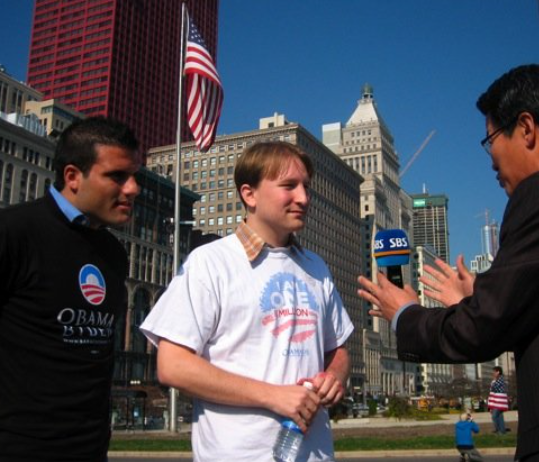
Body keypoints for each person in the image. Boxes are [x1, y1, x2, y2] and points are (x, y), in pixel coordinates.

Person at [357, 64, 539, 461]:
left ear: (526, 128)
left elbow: (482, 329)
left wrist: (405, 313)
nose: (491, 159)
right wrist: (486, 295)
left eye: (490, 138)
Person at [141, 141, 353, 462]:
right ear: (249, 194)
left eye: (306, 187)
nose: (303, 198)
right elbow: (173, 366)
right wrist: (274, 397)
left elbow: (337, 349)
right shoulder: (210, 262)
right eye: (289, 186)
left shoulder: (317, 267)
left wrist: (334, 377)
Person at [0, 117, 141, 461]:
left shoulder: (113, 253)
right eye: (117, 176)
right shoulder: (14, 232)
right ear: (73, 177)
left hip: (90, 447)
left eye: (134, 176)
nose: (133, 188)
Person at [488, 366, 508, 435]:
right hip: (497, 401)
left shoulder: (500, 379)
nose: (493, 373)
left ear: (498, 372)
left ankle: (498, 430)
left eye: (494, 372)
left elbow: (493, 387)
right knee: (499, 416)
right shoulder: (498, 379)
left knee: (494, 416)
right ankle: (502, 431)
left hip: (499, 402)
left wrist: (493, 382)